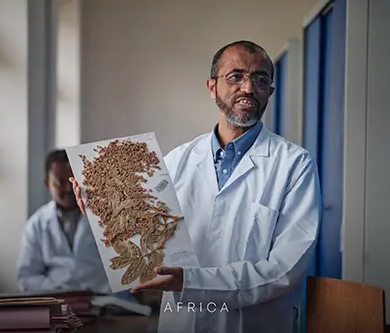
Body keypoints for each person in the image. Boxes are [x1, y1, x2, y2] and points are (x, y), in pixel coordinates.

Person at [73, 41, 321, 333]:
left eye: (261, 79)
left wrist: (191, 282)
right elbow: (149, 243)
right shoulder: (175, 162)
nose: (248, 88)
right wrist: (105, 213)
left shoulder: (295, 164)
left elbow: (285, 269)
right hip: (182, 322)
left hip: (254, 323)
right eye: (235, 76)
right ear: (211, 86)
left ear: (271, 91)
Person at [18, 149, 107, 294]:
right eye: (60, 182)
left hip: (105, 300)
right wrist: (59, 290)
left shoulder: (103, 215)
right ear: (47, 183)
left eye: (73, 181)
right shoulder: (36, 224)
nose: (69, 189)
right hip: (56, 300)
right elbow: (26, 278)